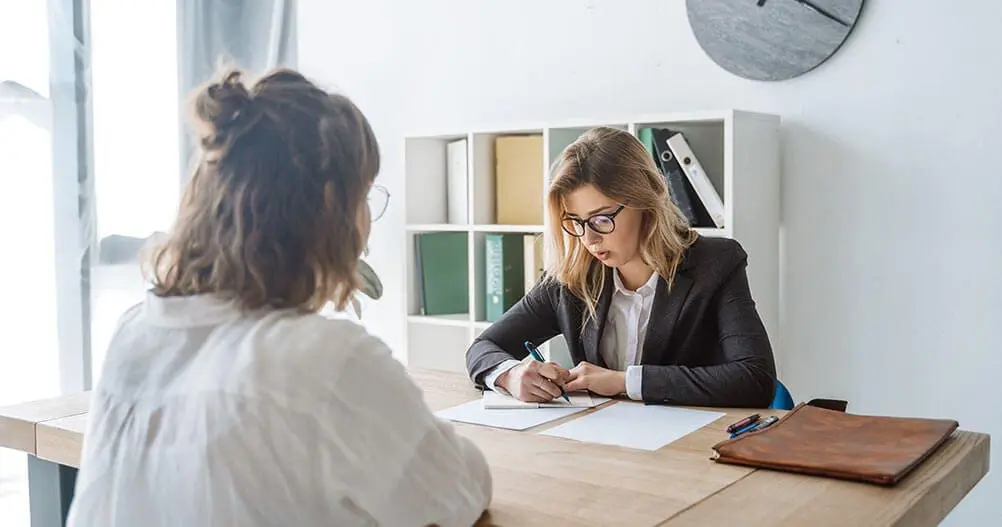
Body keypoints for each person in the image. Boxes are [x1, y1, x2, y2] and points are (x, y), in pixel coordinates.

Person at [68, 68, 491, 527]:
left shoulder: (135, 331)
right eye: (364, 195)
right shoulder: (328, 358)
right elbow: (459, 490)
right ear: (330, 206)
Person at [465, 126, 777, 408]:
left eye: (602, 219)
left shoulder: (715, 264)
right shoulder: (570, 277)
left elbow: (755, 379)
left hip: (691, 450)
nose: (589, 239)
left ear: (645, 202)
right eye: (576, 222)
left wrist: (622, 382)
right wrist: (511, 374)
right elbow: (483, 347)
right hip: (605, 449)